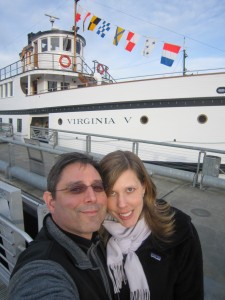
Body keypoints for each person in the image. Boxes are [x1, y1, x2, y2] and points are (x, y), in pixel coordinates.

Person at [8, 152, 114, 300]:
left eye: (97, 187)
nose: (92, 197)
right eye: (76, 189)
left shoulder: (102, 239)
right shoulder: (42, 267)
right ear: (51, 202)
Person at [99, 150, 204, 300]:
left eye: (130, 190)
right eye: (112, 193)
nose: (122, 204)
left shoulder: (179, 231)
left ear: (144, 187)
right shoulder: (94, 234)